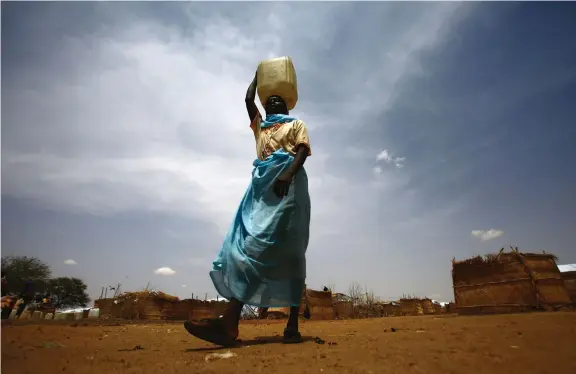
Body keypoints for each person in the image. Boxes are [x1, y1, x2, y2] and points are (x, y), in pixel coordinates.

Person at [184, 71, 312, 346]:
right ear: (265, 106)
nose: (274, 101)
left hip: (288, 188)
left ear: (288, 106)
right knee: (248, 246)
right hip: (261, 190)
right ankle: (229, 323)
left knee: (288, 252)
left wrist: (288, 174)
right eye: (270, 100)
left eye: (280, 99)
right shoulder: (261, 128)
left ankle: (289, 324)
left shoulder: (296, 124)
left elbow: (302, 150)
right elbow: (247, 98)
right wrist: (259, 77)